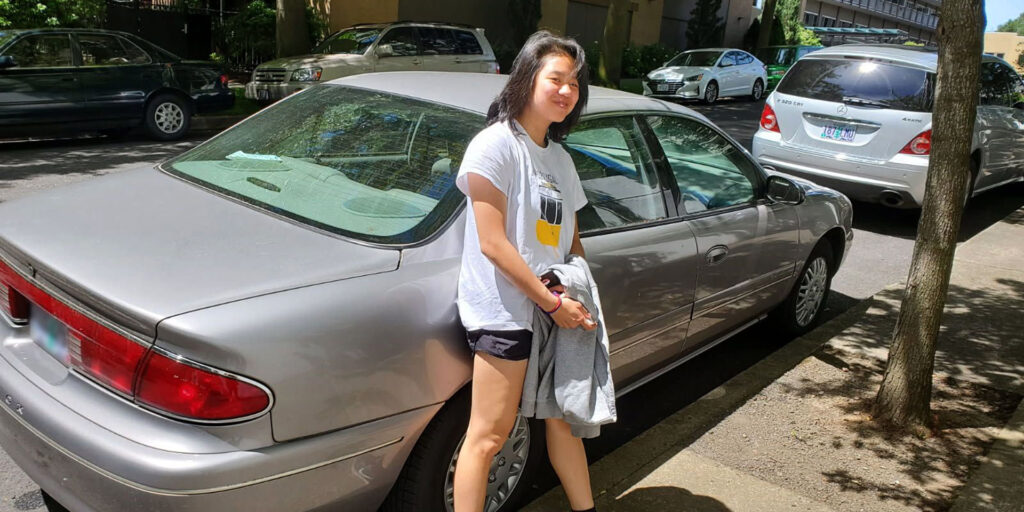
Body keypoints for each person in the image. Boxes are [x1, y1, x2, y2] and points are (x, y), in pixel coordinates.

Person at [453, 31, 598, 512]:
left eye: (574, 84)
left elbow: (570, 241)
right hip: (507, 313)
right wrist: (552, 302)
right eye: (556, 79)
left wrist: (573, 293)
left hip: (554, 307)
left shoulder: (560, 157)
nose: (566, 91)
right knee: (489, 435)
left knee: (561, 423)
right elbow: (493, 243)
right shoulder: (493, 145)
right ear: (527, 79)